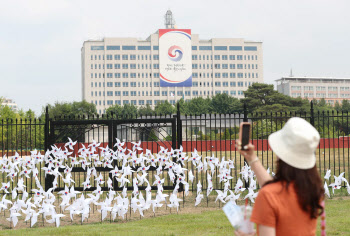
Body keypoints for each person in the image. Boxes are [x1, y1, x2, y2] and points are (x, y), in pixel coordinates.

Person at [235, 117, 324, 236]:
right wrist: (252, 159)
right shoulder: (313, 191)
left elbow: (273, 194)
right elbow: (277, 193)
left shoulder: (268, 195)